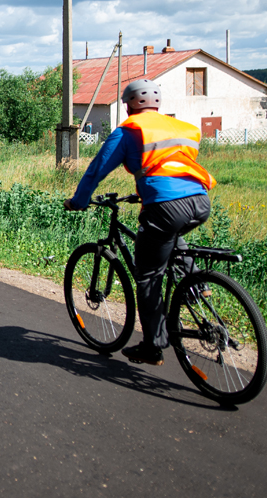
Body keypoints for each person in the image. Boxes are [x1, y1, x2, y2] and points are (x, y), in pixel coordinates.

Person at [64, 79, 216, 366]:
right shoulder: (173, 126)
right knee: (167, 237)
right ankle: (196, 284)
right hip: (199, 200)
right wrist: (141, 192)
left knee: (147, 275)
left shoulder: (129, 131)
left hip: (166, 206)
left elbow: (97, 170)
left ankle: (152, 345)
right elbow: (168, 166)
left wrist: (79, 201)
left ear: (129, 104)